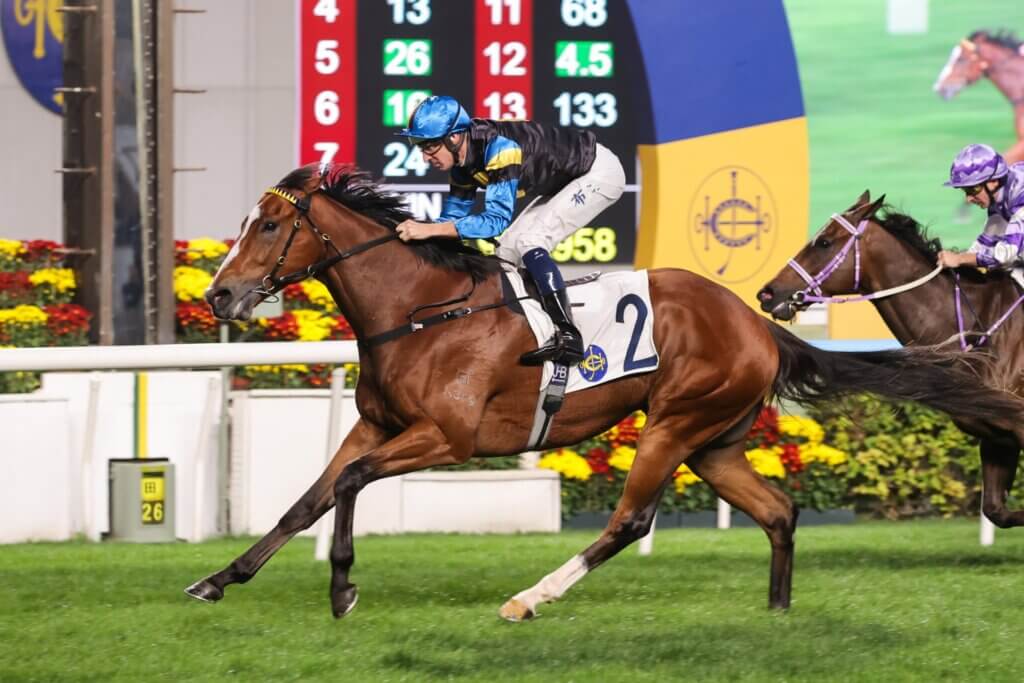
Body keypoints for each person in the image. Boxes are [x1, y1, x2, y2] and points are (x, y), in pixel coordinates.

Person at [393, 95, 626, 367]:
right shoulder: (461, 164)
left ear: (454, 138)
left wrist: (429, 230)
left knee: (529, 241)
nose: (424, 156)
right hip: (568, 179)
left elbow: (495, 222)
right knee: (505, 252)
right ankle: (527, 333)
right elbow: (450, 220)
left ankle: (569, 336)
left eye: (430, 146)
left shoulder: (500, 149)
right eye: (419, 147)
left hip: (598, 173)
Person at [938, 143, 1024, 273]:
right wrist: (956, 259)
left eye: (972, 190)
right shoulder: (998, 197)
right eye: (965, 191)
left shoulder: (1020, 194)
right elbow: (982, 247)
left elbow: (1005, 255)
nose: (968, 199)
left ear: (993, 182)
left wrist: (960, 259)